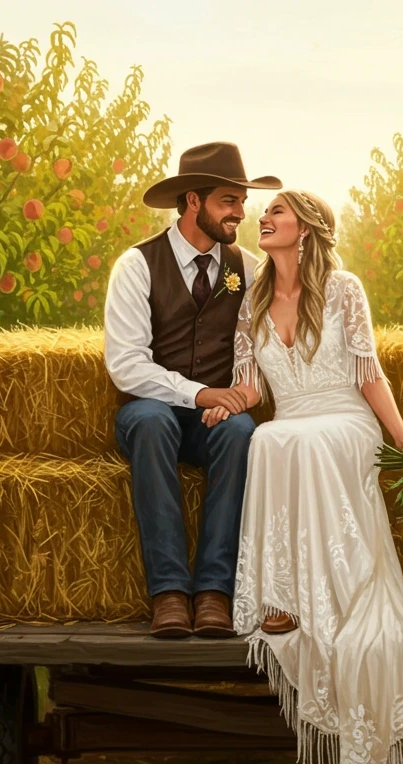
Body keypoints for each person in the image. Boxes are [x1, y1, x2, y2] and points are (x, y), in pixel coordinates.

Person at [203, 190, 403, 764]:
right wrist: (228, 404)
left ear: (305, 230)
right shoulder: (250, 299)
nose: (263, 220)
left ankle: (323, 599)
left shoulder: (344, 290)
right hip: (296, 421)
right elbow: (253, 385)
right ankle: (281, 600)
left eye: (276, 213)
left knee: (291, 440)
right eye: (264, 215)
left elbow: (369, 373)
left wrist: (401, 436)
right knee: (270, 436)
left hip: (345, 421)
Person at [103, 142, 282, 639]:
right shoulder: (137, 266)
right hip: (151, 414)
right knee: (152, 420)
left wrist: (238, 397)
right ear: (193, 201)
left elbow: (266, 351)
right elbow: (126, 365)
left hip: (217, 422)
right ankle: (168, 595)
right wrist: (201, 393)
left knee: (241, 432)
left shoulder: (247, 267)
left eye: (242, 202)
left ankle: (212, 595)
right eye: (229, 200)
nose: (240, 213)